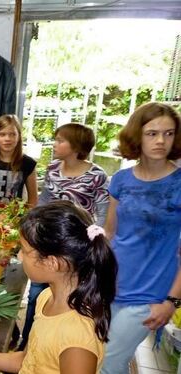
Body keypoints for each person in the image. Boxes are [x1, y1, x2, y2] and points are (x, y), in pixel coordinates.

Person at [0, 200, 117, 374]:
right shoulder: (47, 297)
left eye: (24, 250)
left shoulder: (76, 338)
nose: (20, 256)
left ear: (52, 262)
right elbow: (27, 361)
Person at [100, 102, 181, 374]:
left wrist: (171, 301)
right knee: (105, 356)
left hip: (150, 294)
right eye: (152, 133)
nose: (161, 140)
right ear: (137, 135)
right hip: (113, 285)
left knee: (108, 362)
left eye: (169, 133)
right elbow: (110, 234)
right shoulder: (121, 180)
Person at [18, 123, 109, 351]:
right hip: (47, 243)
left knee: (69, 294)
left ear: (76, 145)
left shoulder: (96, 175)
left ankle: (58, 344)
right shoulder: (53, 168)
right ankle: (29, 342)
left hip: (73, 245)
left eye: (60, 140)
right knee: (37, 295)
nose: (55, 144)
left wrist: (87, 239)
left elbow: (103, 214)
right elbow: (45, 200)